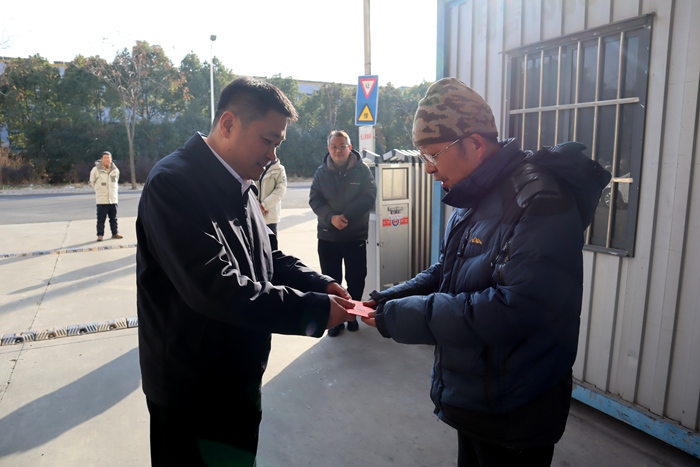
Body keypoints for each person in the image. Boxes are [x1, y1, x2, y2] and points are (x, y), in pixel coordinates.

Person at [361, 77, 611, 466]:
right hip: (477, 399)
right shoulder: (476, 195)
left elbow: (514, 306)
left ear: (475, 144)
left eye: (433, 155)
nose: (428, 169)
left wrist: (402, 317)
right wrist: (390, 298)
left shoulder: (539, 200)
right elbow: (448, 270)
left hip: (515, 412)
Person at [135, 77, 355, 467]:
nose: (272, 154)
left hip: (238, 379)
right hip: (193, 394)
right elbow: (213, 287)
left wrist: (319, 284)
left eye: (278, 144)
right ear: (228, 124)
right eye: (267, 140)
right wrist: (313, 310)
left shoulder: (242, 182)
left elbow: (268, 256)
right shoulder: (173, 184)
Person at [309, 130, 377, 337]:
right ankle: (336, 320)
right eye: (333, 147)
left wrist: (345, 216)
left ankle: (352, 315)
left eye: (342, 146)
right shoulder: (321, 172)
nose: (338, 150)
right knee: (331, 280)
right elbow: (314, 199)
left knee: (356, 278)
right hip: (328, 236)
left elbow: (369, 196)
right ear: (328, 149)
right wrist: (331, 218)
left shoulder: (362, 170)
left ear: (350, 147)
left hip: (354, 235)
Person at [88, 151, 122, 241]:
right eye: (105, 158)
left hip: (113, 199)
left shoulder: (115, 170)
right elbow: (92, 182)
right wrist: (99, 189)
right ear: (101, 159)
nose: (107, 160)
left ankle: (115, 233)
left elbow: (116, 181)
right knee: (101, 219)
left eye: (109, 158)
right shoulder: (96, 170)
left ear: (111, 159)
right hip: (102, 199)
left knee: (113, 218)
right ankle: (100, 235)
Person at [254, 158, 287, 236]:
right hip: (255, 213)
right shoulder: (254, 166)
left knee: (271, 241)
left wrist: (263, 206)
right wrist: (256, 205)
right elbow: (250, 186)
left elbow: (280, 191)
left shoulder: (279, 169)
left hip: (270, 215)